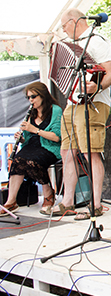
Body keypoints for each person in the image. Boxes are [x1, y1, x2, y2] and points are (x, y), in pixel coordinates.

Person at [40, 8, 111, 220]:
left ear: (74, 21)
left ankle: (96, 204)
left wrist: (96, 88)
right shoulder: (74, 46)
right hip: (73, 103)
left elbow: (110, 75)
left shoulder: (98, 41)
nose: (63, 30)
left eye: (64, 25)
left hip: (94, 103)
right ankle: (68, 202)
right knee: (67, 152)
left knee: (90, 153)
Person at [1, 82, 62, 216]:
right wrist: (22, 139)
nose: (31, 100)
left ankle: (48, 193)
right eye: (28, 98)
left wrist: (35, 130)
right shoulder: (31, 113)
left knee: (33, 161)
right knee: (17, 160)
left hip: (49, 147)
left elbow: (57, 137)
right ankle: (11, 201)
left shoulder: (55, 110)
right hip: (31, 145)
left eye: (33, 97)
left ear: (43, 96)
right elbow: (28, 138)